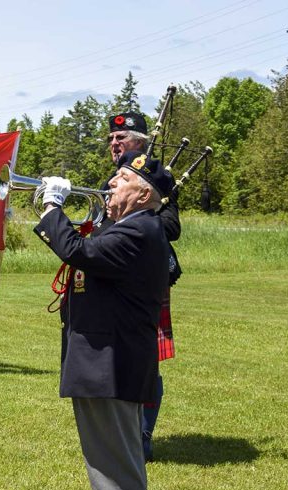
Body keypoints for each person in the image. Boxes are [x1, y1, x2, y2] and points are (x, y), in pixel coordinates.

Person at [34, 150, 173, 490]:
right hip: (108, 367)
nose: (110, 182)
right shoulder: (132, 227)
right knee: (115, 469)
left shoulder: (139, 230)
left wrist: (52, 206)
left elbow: (79, 252)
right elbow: (90, 249)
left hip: (110, 367)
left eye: (122, 179)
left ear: (144, 195)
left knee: (114, 475)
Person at [101, 111, 182, 461]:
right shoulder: (112, 179)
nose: (114, 143)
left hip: (142, 277)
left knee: (147, 360)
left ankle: (143, 436)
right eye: (111, 139)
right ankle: (118, 432)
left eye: (121, 138)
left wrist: (134, 222)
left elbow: (172, 227)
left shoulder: (157, 179)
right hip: (110, 277)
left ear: (140, 142)